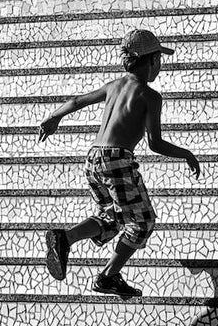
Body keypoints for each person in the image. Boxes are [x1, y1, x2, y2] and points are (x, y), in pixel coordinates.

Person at [38, 28, 200, 298]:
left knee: (112, 217)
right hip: (117, 160)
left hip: (93, 159)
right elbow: (154, 143)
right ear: (150, 62)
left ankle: (65, 238)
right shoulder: (149, 96)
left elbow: (78, 100)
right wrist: (187, 154)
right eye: (158, 60)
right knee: (143, 221)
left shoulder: (114, 85)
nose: (159, 67)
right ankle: (108, 276)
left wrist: (53, 117)